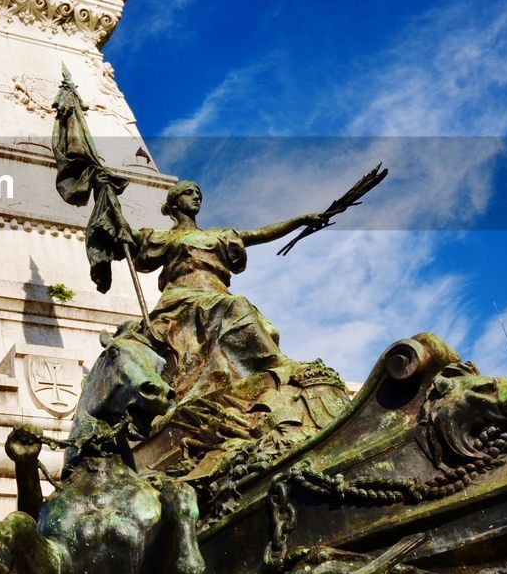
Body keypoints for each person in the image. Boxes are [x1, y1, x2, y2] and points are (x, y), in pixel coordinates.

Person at [131, 181, 348, 455]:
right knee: (235, 307)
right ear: (174, 204)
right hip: (183, 299)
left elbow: (261, 234)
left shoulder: (220, 235)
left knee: (265, 327)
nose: (196, 197)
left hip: (216, 294)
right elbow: (122, 237)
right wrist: (105, 196)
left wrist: (300, 220)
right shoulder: (164, 238)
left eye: (199, 193)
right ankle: (276, 363)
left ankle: (258, 376)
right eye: (188, 193)